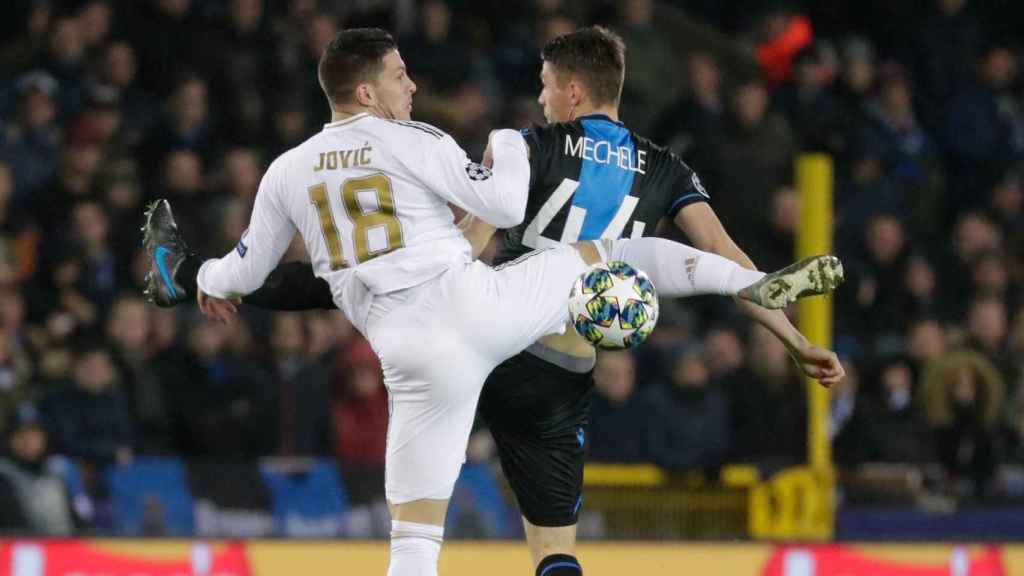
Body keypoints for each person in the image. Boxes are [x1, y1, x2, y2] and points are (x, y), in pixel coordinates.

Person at [143, 28, 843, 576]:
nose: (539, 98)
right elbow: (720, 244)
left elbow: (474, 232)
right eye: (399, 76)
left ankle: (178, 277)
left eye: (543, 86)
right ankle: (760, 289)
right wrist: (790, 334)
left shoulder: (529, 143)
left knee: (413, 529)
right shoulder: (665, 167)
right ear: (367, 90)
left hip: (429, 347)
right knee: (618, 267)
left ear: (569, 90)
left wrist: (210, 282)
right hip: (552, 352)